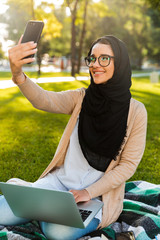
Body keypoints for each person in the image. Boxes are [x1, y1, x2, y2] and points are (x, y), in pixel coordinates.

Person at [0, 35, 147, 240]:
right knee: (1, 212)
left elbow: (128, 165)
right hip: (57, 185)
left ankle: (37, 206)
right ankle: (41, 203)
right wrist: (18, 74)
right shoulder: (81, 97)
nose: (95, 64)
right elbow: (44, 100)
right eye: (92, 58)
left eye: (104, 58)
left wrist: (87, 192)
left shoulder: (136, 111)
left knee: (57, 232)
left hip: (96, 196)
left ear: (120, 63)